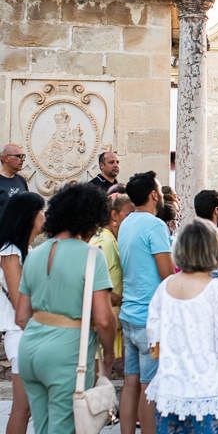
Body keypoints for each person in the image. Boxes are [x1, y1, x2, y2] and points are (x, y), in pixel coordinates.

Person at [15, 184, 116, 434]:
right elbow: (104, 319)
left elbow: (21, 316)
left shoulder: (35, 254)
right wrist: (109, 352)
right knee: (63, 428)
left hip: (30, 349)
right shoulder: (92, 256)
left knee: (43, 426)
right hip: (67, 352)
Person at [146, 219, 218, 433]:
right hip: (212, 391)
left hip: (170, 391)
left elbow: (155, 346)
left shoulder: (163, 289)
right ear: (216, 250)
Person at [118, 171, 175, 434]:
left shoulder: (127, 222)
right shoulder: (155, 226)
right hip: (149, 319)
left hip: (129, 314)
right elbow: (166, 273)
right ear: (154, 195)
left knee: (131, 383)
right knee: (150, 386)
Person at [0, 193, 45, 434]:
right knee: (22, 407)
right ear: (30, 217)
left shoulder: (23, 250)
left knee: (31, 407)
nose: (44, 217)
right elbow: (20, 303)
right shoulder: (10, 253)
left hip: (29, 332)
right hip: (21, 333)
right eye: (41, 212)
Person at [89, 193, 134, 372]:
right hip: (105, 315)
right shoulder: (104, 241)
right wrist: (118, 298)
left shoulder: (111, 239)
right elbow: (94, 281)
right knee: (100, 370)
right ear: (114, 215)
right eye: (127, 215)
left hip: (112, 316)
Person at [0, 144, 28, 219]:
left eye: (23, 156)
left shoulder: (21, 180)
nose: (22, 159)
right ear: (6, 158)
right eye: (19, 156)